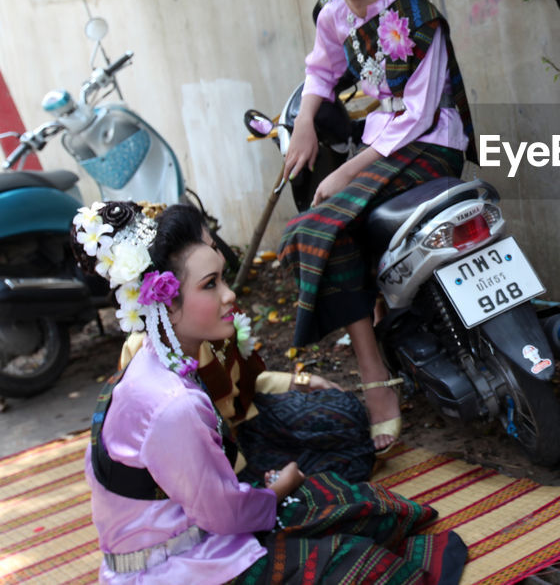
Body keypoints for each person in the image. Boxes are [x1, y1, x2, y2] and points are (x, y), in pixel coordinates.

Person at [73, 201, 467, 584]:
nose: (229, 295)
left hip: (203, 524)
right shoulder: (172, 403)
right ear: (164, 302)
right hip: (181, 564)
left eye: (222, 279)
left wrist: (275, 484)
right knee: (361, 562)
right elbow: (223, 515)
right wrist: (276, 488)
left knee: (350, 501)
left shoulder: (162, 362)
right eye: (210, 285)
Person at [279, 0, 473, 454]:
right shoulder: (334, 18)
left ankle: (377, 373)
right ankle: (373, 373)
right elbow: (319, 71)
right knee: (325, 230)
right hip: (380, 149)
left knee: (319, 220)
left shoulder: (415, 14)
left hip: (430, 144)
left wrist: (344, 171)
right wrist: (306, 122)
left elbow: (413, 118)